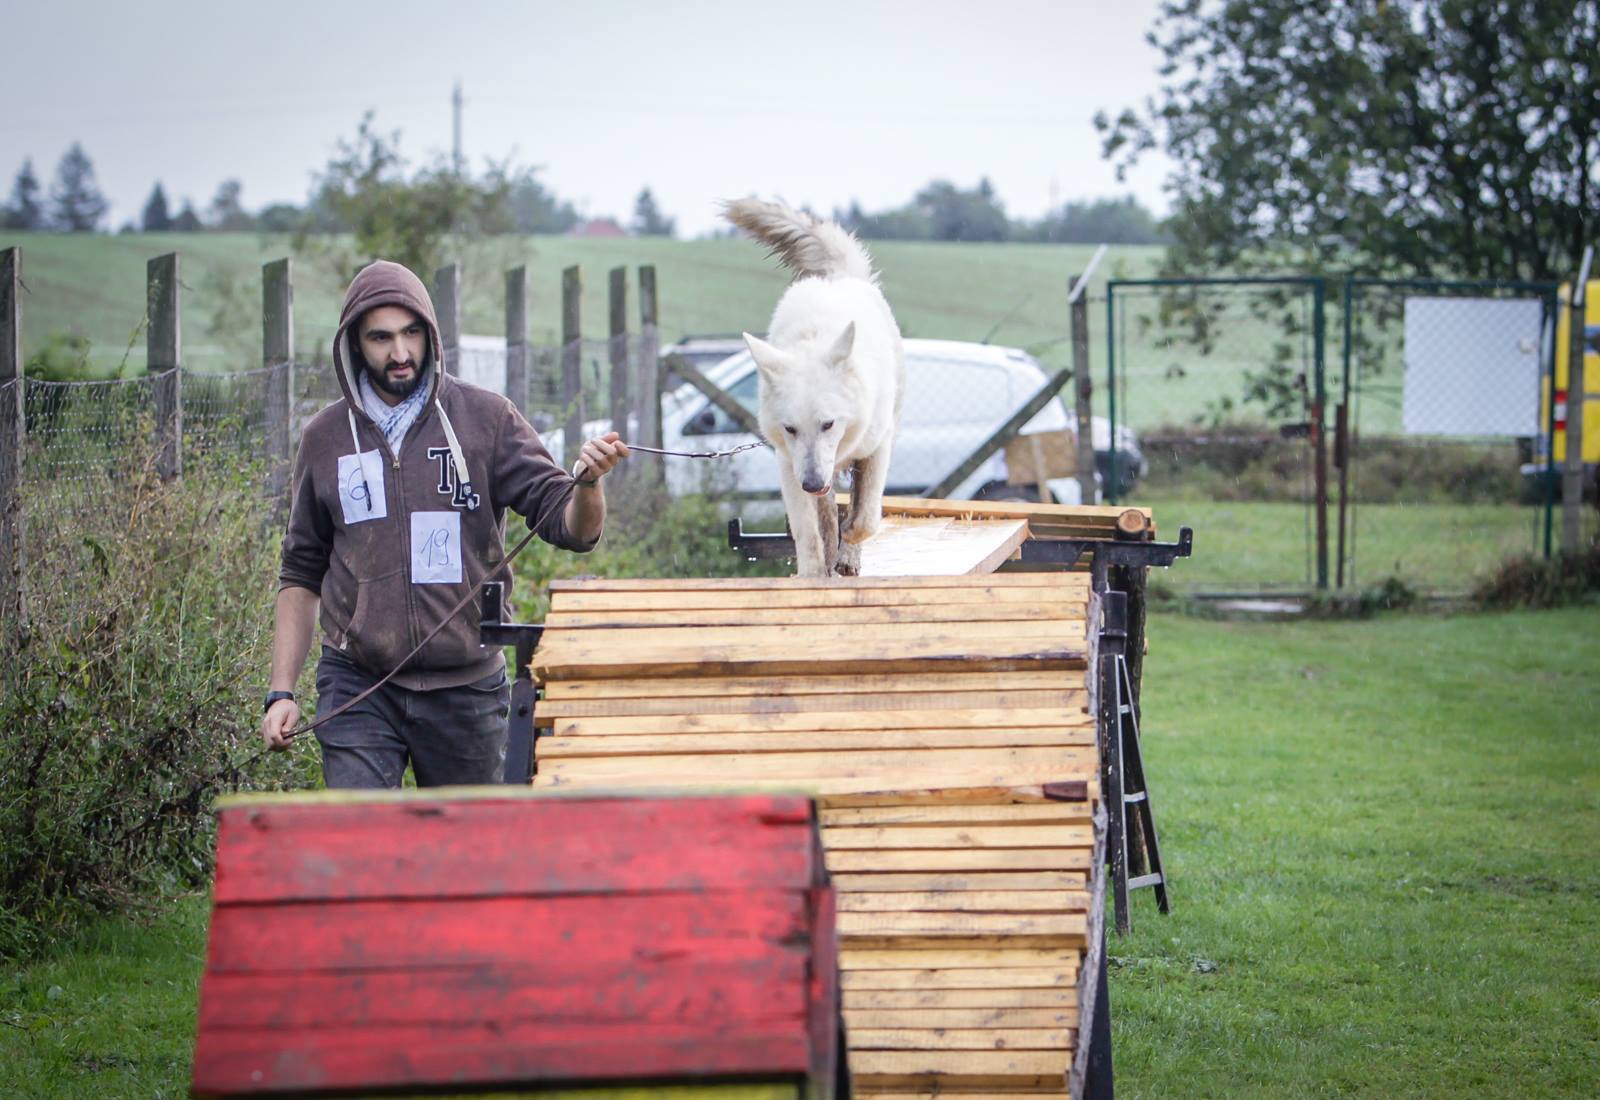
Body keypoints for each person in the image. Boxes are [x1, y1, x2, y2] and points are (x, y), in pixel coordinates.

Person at [259, 260, 627, 786]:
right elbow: (300, 570)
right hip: (358, 685)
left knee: (468, 857)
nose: (401, 352)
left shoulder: (487, 419)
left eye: (411, 333)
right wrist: (282, 692)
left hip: (466, 686)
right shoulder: (326, 438)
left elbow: (570, 526)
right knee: (366, 850)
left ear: (430, 333)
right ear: (354, 344)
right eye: (381, 338)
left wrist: (587, 485)